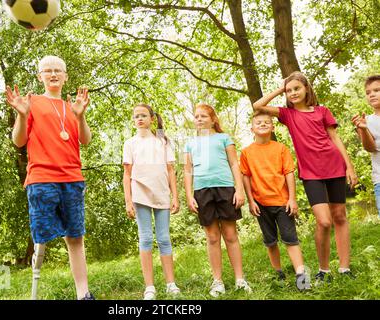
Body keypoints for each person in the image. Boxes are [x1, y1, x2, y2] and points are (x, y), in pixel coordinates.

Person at [253, 71, 358, 282]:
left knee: (339, 217)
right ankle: (324, 269)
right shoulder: (287, 115)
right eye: (289, 90)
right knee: (324, 221)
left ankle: (345, 268)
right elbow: (258, 106)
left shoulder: (322, 111)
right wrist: (281, 88)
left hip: (335, 166)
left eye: (296, 88)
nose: (293, 93)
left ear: (306, 89)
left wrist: (350, 167)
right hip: (311, 174)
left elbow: (335, 139)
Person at [5, 55, 94, 300]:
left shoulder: (72, 106)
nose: (53, 74)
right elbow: (18, 141)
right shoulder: (31, 102)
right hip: (42, 179)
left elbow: (85, 140)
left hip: (72, 178)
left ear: (65, 76)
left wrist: (80, 115)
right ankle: (34, 293)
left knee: (75, 238)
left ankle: (83, 294)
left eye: (58, 70)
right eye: (48, 71)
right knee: (41, 239)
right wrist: (22, 115)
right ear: (40, 76)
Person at [184, 103, 251, 297]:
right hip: (202, 191)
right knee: (212, 237)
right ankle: (217, 281)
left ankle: (240, 279)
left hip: (225, 189)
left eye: (203, 116)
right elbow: (188, 171)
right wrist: (189, 195)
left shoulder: (224, 138)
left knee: (230, 235)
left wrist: (239, 190)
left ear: (213, 119)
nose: (199, 119)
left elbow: (234, 164)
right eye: (196, 116)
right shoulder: (189, 143)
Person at [240, 112, 310, 291]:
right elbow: (246, 177)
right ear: (252, 128)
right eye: (258, 122)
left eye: (267, 122)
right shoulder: (247, 152)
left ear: (273, 127)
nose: (263, 124)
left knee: (290, 239)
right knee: (270, 241)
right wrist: (251, 200)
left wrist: (292, 199)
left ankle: (302, 277)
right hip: (260, 203)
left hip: (282, 202)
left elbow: (289, 173)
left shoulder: (281, 148)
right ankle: (278, 273)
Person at [123, 103, 181, 300]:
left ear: (152, 118)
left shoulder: (163, 141)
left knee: (164, 238)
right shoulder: (130, 143)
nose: (139, 118)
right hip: (140, 194)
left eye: (143, 115)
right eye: (136, 116)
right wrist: (128, 201)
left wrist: (175, 196)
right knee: (146, 238)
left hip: (162, 194)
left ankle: (170, 284)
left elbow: (171, 170)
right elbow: (127, 174)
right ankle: (150, 287)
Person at [351, 75, 380, 218]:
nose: (372, 94)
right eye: (368, 92)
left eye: (377, 90)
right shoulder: (366, 121)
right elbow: (370, 148)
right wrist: (363, 129)